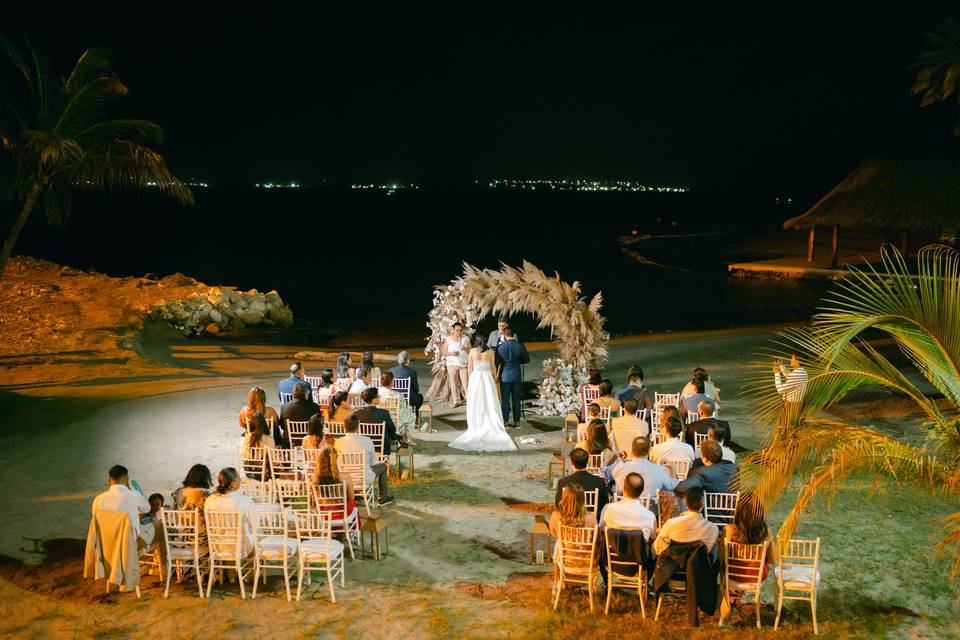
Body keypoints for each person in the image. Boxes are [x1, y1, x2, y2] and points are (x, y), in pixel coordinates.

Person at [450, 335, 518, 452]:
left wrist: (472, 379)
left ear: (476, 341)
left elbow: (470, 366)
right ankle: (490, 422)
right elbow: (493, 367)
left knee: (476, 401)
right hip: (487, 377)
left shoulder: (472, 351)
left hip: (476, 377)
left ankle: (476, 423)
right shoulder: (491, 351)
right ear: (485, 341)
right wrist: (495, 377)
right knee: (489, 400)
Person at [612, 436, 678, 518]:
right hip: (649, 514)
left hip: (624, 513)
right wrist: (672, 469)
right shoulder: (659, 469)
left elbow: (605, 474)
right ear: (649, 451)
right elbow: (673, 486)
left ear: (632, 449)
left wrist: (618, 459)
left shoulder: (620, 468)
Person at [335, 414, 393, 506]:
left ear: (344, 427)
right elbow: (372, 463)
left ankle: (355, 494)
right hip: (363, 479)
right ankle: (383, 498)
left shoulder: (337, 442)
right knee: (383, 466)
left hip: (345, 480)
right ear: (357, 427)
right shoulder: (367, 440)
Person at [92, 464, 153, 547]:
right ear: (127, 479)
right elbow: (147, 509)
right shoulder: (134, 495)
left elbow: (96, 521)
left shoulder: (98, 499)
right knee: (158, 527)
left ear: (108, 481)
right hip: (129, 545)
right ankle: (167, 558)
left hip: (106, 544)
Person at [722, 499, 777, 586]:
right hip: (756, 576)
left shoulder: (729, 530)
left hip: (733, 575)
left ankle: (729, 594)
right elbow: (772, 560)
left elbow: (721, 557)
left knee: (723, 567)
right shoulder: (765, 533)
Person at [653, 487, 719, 556]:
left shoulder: (671, 523)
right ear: (703, 503)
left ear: (685, 502)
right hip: (698, 565)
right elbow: (711, 552)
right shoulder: (713, 528)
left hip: (673, 564)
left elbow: (657, 548)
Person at [204, 467, 256, 554]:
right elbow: (254, 526)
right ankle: (257, 564)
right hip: (240, 548)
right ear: (232, 484)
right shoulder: (246, 501)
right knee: (256, 534)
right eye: (238, 479)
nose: (241, 481)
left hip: (217, 547)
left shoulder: (209, 500)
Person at [549, 483, 598, 577]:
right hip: (587, 562)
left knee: (559, 542)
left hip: (565, 560)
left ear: (564, 498)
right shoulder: (592, 519)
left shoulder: (556, 515)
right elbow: (596, 540)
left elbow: (554, 533)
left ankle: (557, 579)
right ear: (583, 500)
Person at [599, 472, 657, 539]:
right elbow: (652, 538)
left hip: (612, 548)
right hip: (639, 549)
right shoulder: (650, 516)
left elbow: (601, 530)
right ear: (642, 490)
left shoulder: (608, 509)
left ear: (623, 488)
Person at [555, 447, 609, 516]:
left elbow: (558, 505)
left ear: (571, 462)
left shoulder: (562, 482)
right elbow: (605, 505)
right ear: (587, 461)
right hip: (593, 521)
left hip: (569, 521)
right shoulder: (599, 482)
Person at [353, 387, 406, 454]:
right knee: (389, 434)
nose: (380, 397)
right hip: (382, 448)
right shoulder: (384, 413)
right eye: (378, 396)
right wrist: (401, 437)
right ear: (373, 400)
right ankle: (385, 462)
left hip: (363, 447)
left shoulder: (357, 414)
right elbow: (392, 431)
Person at [496, 328, 530, 428]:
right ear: (513, 335)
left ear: (505, 336)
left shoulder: (500, 347)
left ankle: (505, 422)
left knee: (505, 400)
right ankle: (517, 422)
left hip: (505, 376)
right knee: (516, 399)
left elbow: (497, 362)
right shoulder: (520, 346)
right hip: (516, 375)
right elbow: (526, 359)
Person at [311, 447, 357, 521]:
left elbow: (315, 501)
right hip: (342, 515)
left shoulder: (315, 478)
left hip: (324, 515)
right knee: (352, 502)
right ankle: (352, 528)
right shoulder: (345, 477)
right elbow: (352, 497)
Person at [279, 383, 321, 447]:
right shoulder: (314, 406)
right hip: (310, 439)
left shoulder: (284, 407)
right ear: (305, 394)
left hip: (291, 440)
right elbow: (319, 424)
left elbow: (282, 426)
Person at [441, 322, 471, 407]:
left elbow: (470, 349)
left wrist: (464, 348)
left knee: (465, 383)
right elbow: (443, 351)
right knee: (453, 383)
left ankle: (469, 400)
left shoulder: (466, 338)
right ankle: (455, 401)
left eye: (460, 330)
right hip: (452, 365)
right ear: (453, 330)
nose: (459, 332)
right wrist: (451, 354)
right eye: (457, 330)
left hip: (463, 365)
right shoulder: (448, 339)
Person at [389, 351, 423, 418]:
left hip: (394, 397)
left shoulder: (390, 371)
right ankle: (415, 416)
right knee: (420, 397)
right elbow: (416, 389)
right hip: (409, 398)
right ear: (407, 360)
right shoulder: (412, 372)